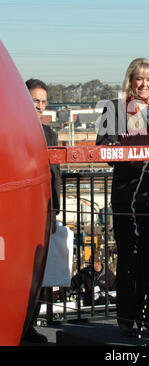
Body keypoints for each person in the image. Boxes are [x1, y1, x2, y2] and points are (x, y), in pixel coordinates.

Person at [96, 58, 149, 337]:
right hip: (124, 195)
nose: (143, 85)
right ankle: (126, 319)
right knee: (128, 257)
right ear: (130, 80)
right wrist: (121, 151)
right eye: (138, 79)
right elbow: (102, 147)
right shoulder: (114, 109)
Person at [22, 78, 61, 344]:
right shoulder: (12, 128)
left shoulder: (51, 135)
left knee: (38, 272)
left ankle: (29, 325)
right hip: (20, 212)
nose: (40, 106)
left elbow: (56, 175)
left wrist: (56, 211)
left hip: (44, 212)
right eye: (36, 100)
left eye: (44, 102)